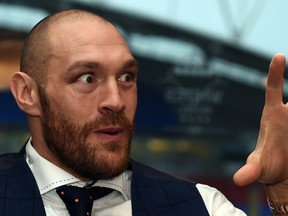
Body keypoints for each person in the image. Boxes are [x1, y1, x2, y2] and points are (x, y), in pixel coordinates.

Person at [0, 9, 287, 216]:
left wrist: (283, 197)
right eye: (87, 78)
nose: (115, 100)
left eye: (126, 77)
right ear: (28, 94)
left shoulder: (202, 206)